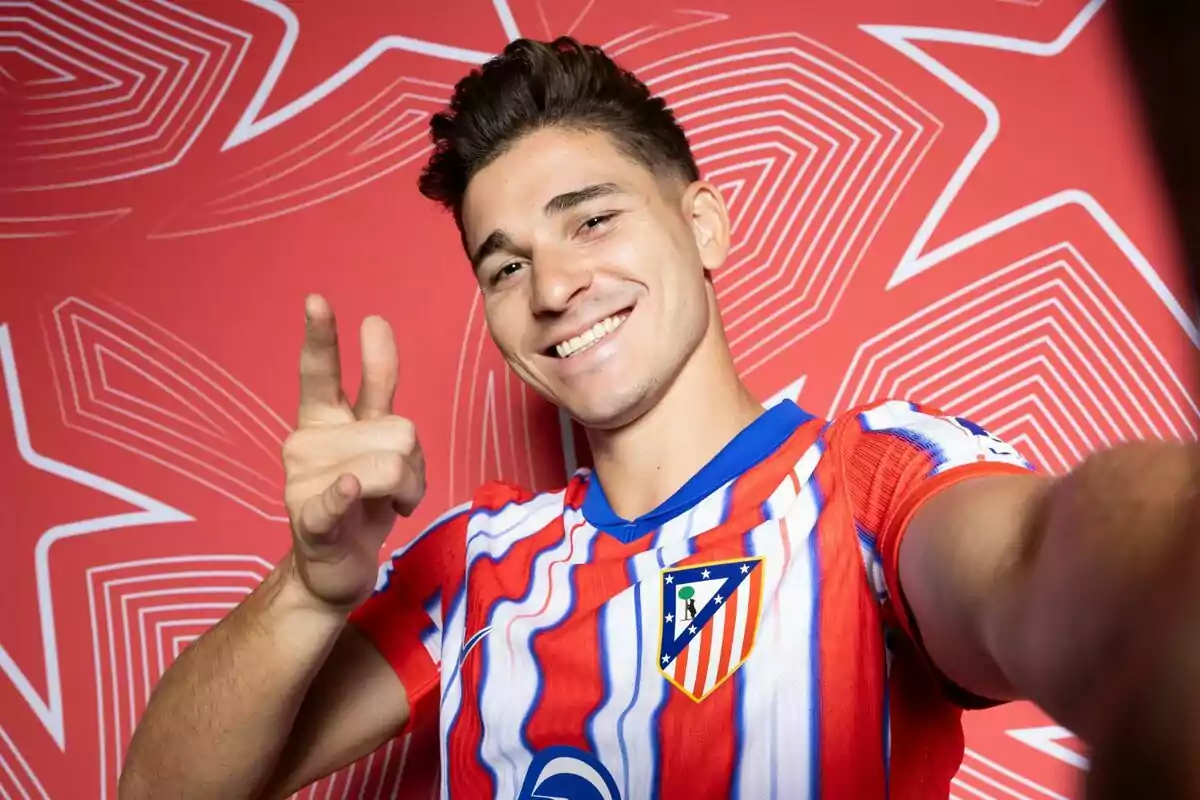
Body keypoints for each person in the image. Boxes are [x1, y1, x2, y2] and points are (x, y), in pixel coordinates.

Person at [118, 37, 1199, 800]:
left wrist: (1162, 574)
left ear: (705, 225)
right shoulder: (474, 568)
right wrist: (308, 588)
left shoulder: (869, 481)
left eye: (590, 219)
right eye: (506, 267)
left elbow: (1050, 561)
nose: (553, 286)